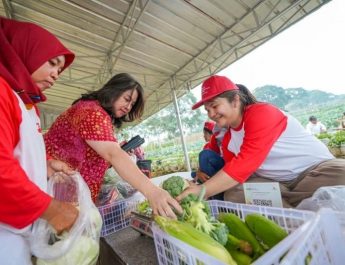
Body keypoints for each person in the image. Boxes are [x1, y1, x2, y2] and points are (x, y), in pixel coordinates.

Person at [177, 75, 345, 207]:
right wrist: (196, 182)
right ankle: (302, 215)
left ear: (235, 100)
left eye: (214, 106)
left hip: (317, 171)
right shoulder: (228, 139)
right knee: (234, 194)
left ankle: (291, 211)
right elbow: (235, 175)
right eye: (207, 110)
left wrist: (201, 191)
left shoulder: (261, 113)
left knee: (340, 177)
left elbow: (245, 164)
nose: (211, 114)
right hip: (280, 185)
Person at [44, 73, 182, 217]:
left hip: (64, 193)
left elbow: (96, 154)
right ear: (113, 91)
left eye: (132, 104)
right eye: (127, 99)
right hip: (56, 190)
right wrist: (152, 191)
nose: (128, 107)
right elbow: (112, 153)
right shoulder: (93, 112)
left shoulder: (96, 111)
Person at [0, 17, 79, 264]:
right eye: (53, 63)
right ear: (24, 51)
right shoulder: (2, 92)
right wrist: (53, 210)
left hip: (20, 229)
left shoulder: (27, 104)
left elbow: (20, 150)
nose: (56, 73)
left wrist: (47, 164)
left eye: (60, 68)